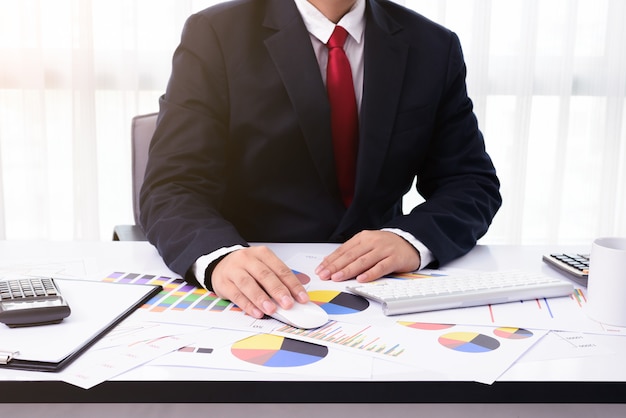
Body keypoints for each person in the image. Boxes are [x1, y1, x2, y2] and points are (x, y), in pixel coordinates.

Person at [139, 0, 502, 320]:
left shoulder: (432, 46)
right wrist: (219, 257)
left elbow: (470, 182)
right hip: (256, 289)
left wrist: (412, 239)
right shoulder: (216, 34)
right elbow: (173, 185)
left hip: (378, 289)